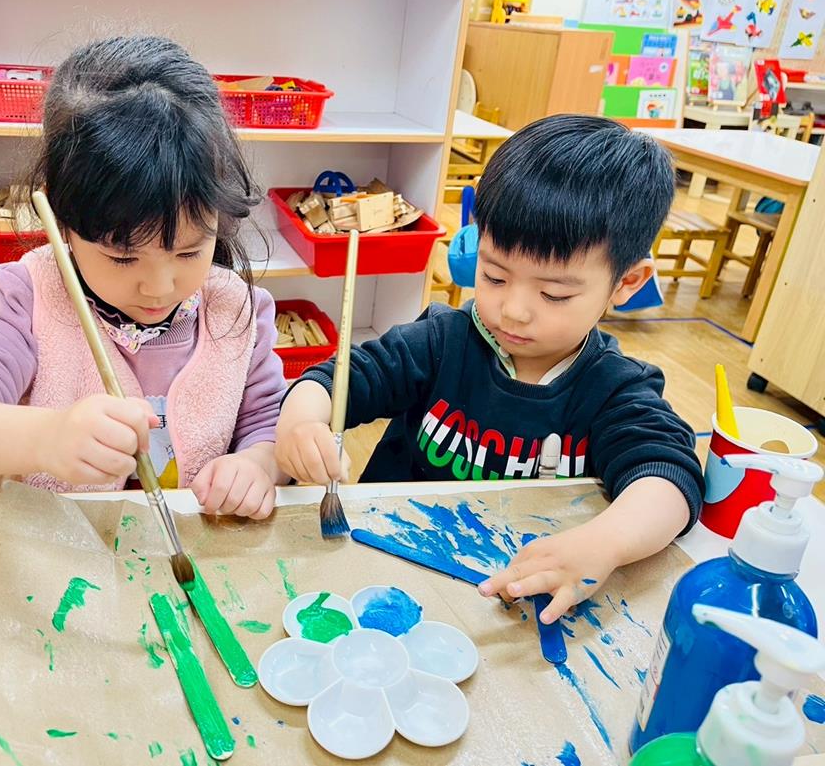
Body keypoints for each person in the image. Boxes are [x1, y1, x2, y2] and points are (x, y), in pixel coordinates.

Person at [275, 114, 704, 619]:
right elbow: (336, 379)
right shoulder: (442, 342)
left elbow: (669, 478)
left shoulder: (612, 388)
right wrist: (301, 421)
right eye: (495, 276)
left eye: (553, 294)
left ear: (627, 283)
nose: (513, 311)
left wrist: (604, 543)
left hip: (517, 596)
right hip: (387, 566)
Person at [0, 35, 288, 519]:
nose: (159, 287)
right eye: (122, 257)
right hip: (59, 551)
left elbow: (267, 423)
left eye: (188, 251)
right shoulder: (26, 299)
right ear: (63, 219)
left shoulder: (237, 310)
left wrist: (257, 464)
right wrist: (45, 438)